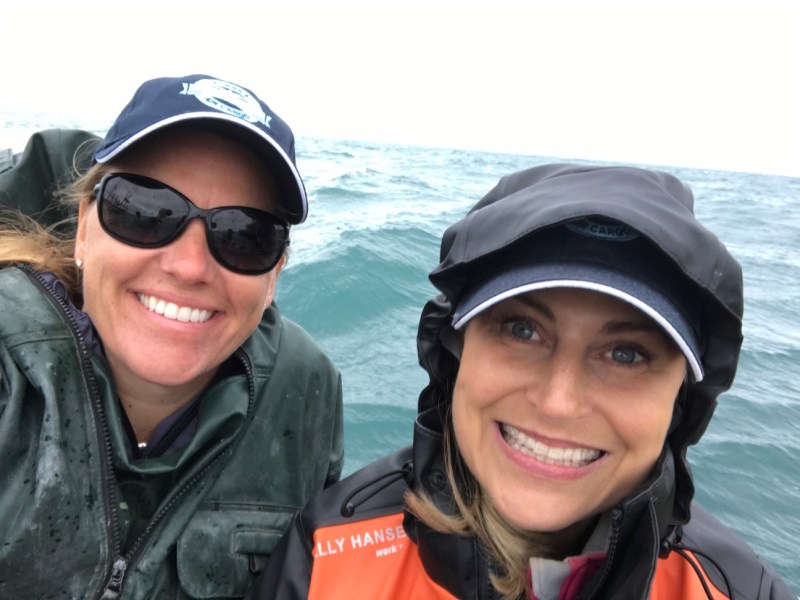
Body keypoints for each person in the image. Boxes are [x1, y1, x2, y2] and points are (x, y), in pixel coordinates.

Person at [248, 163, 795, 599]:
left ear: (682, 402)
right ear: (454, 353)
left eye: (626, 353)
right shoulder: (324, 556)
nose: (558, 402)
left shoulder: (738, 590)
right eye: (521, 329)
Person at [0, 74, 343, 599]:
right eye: (143, 210)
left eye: (244, 235)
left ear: (273, 278)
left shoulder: (307, 396)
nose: (188, 267)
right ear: (85, 229)